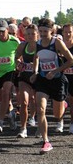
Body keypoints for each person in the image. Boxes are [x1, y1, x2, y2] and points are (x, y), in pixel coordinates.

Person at [30, 18, 73, 154]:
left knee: (57, 115)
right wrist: (35, 72)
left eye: (45, 31)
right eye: (40, 31)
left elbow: (71, 60)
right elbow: (36, 57)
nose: (42, 34)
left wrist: (55, 71)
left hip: (57, 80)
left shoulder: (57, 43)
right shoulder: (37, 44)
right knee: (41, 108)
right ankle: (46, 141)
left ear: (52, 30)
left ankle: (64, 105)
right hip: (43, 80)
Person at [15, 24, 38, 138]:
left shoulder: (41, 47)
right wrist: (18, 63)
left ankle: (35, 119)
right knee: (24, 102)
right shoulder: (22, 46)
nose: (30, 36)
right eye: (28, 34)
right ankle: (23, 128)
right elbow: (16, 58)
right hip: (24, 77)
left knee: (36, 101)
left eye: (33, 34)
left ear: (37, 34)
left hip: (38, 78)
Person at [62, 23, 73, 134]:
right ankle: (60, 122)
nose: (68, 34)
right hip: (61, 77)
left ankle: (71, 123)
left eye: (70, 32)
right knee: (60, 100)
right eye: (66, 32)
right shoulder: (59, 46)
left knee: (72, 101)